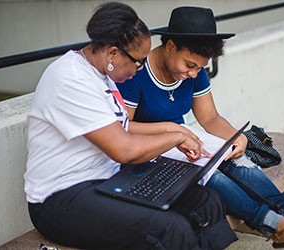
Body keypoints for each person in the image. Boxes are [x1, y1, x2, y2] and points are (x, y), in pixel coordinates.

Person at [24, 3, 238, 249]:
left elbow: (123, 127)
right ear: (113, 53)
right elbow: (123, 149)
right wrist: (175, 138)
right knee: (171, 228)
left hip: (108, 180)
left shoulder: (103, 75)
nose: (139, 70)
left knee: (206, 201)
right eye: (138, 62)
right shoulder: (70, 78)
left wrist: (176, 130)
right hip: (60, 198)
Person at [118, 6, 284, 248]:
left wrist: (237, 137)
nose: (193, 73)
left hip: (183, 140)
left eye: (199, 67)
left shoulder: (194, 70)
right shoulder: (136, 72)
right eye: (189, 65)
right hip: (149, 152)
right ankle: (275, 225)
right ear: (170, 47)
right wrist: (172, 130)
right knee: (213, 176)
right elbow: (123, 127)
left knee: (239, 161)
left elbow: (209, 118)